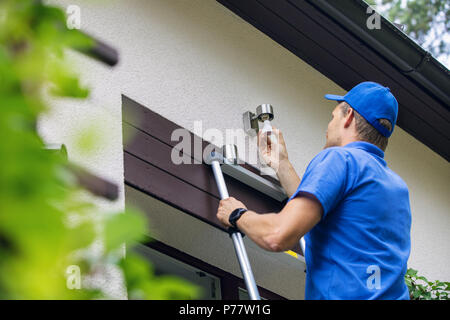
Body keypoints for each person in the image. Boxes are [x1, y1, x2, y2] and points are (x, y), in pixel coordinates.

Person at [216, 81, 412, 300]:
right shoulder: (397, 187)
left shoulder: (340, 158)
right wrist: (282, 164)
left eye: (333, 117)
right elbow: (329, 215)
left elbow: (277, 236)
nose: (328, 127)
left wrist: (237, 215)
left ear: (348, 117)